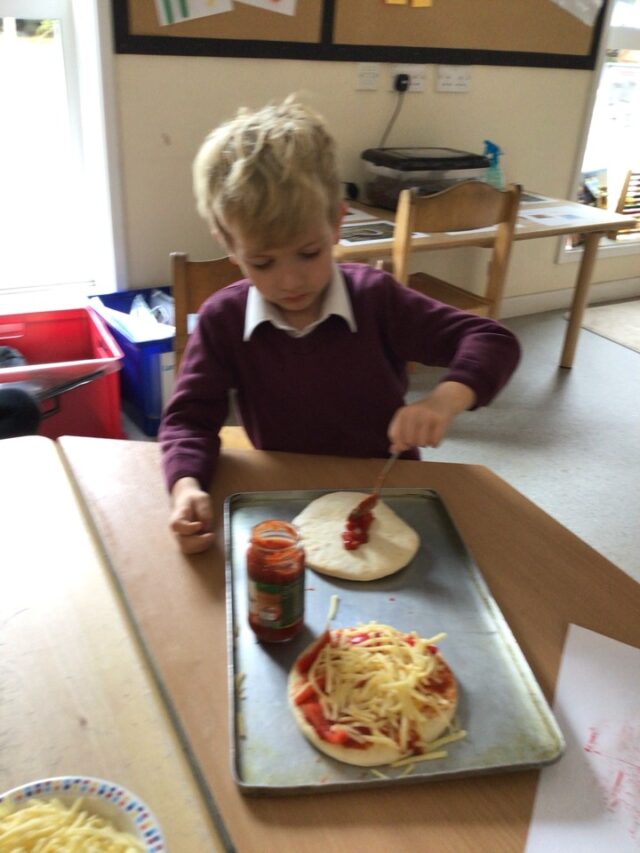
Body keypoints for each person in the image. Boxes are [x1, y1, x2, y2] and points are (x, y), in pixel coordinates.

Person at [159, 96, 520, 555]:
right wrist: (186, 485)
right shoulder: (222, 320)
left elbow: (492, 339)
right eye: (263, 262)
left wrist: (444, 399)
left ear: (336, 223)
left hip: (387, 489)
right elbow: (188, 419)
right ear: (229, 244)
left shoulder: (376, 299)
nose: (290, 281)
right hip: (285, 492)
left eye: (308, 253)